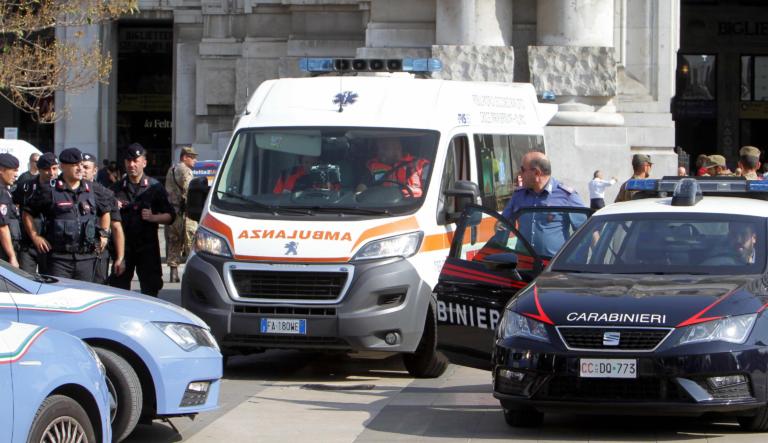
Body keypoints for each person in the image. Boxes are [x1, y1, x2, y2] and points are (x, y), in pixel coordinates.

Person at [22, 148, 111, 280]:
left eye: (81, 164)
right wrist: (35, 236)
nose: (80, 168)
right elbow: (27, 212)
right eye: (75, 165)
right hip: (59, 260)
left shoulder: (93, 189)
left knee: (84, 297)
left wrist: (104, 234)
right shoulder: (49, 189)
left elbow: (105, 212)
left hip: (86, 258)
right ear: (63, 166)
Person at [110, 143, 175, 296]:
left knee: (150, 289)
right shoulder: (116, 189)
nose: (131, 164)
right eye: (128, 161)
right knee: (118, 290)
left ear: (144, 163)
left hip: (147, 248)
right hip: (123, 249)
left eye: (135, 161)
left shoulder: (155, 187)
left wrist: (153, 217)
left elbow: (171, 216)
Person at [501, 151, 586, 257]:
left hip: (553, 268)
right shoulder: (518, 195)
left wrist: (577, 264)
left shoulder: (567, 196)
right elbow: (503, 226)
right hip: (523, 265)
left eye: (522, 170)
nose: (519, 174)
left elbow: (587, 233)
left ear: (536, 173)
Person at [81, 152, 125, 284]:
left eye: (86, 168)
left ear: (94, 171)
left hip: (97, 252)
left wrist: (120, 257)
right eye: (80, 166)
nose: (82, 171)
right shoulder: (67, 192)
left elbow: (116, 227)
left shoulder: (105, 193)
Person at [12, 152, 59, 274]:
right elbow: (14, 204)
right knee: (25, 280)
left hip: (51, 244)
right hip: (28, 243)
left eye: (54, 169)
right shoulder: (26, 186)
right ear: (39, 169)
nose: (52, 173)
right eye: (47, 169)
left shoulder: (61, 187)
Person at [164, 146, 199, 283]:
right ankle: (192, 274)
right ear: (185, 157)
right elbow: (189, 191)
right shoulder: (186, 170)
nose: (195, 160)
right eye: (193, 157)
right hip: (186, 213)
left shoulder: (171, 169)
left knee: (174, 242)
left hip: (173, 212)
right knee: (191, 242)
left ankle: (174, 273)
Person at [364, 138, 430, 197]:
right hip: (381, 205)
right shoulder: (373, 166)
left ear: (398, 148)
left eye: (385, 148)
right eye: (379, 148)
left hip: (414, 205)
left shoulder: (421, 164)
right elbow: (362, 188)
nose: (381, 152)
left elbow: (429, 191)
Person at [0, 154, 21, 267]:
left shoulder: (5, 191)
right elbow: (2, 227)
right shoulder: (2, 193)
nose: (16, 175)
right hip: (3, 253)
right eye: (13, 171)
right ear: (1, 170)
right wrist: (12, 256)